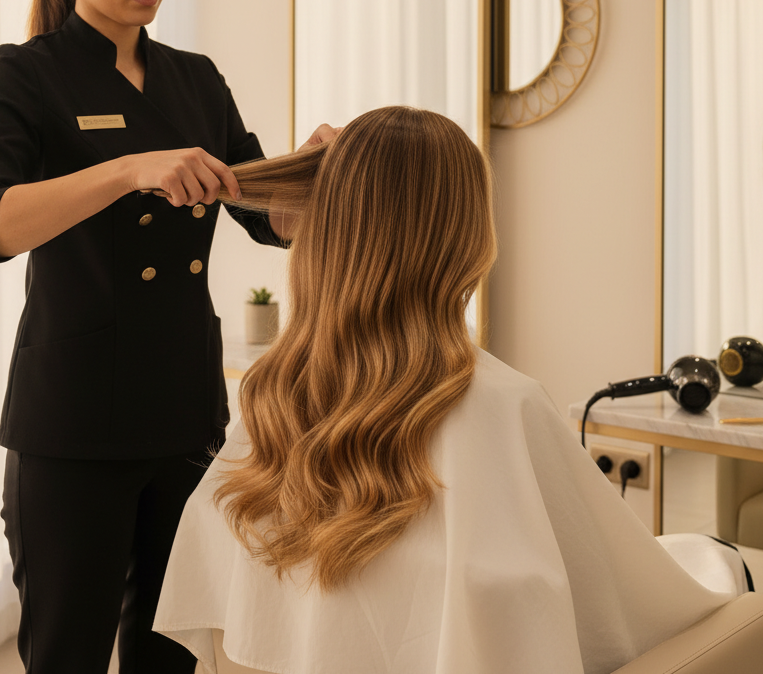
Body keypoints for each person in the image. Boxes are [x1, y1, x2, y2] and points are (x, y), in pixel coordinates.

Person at [154, 106, 745, 674]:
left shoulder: (276, 391)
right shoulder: (503, 402)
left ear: (328, 231)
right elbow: (613, 606)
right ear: (464, 236)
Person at [0, 0, 336, 674]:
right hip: (71, 424)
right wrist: (128, 169)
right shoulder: (27, 74)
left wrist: (315, 170)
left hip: (181, 412)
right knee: (67, 654)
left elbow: (265, 219)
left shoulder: (195, 80)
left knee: (170, 655)